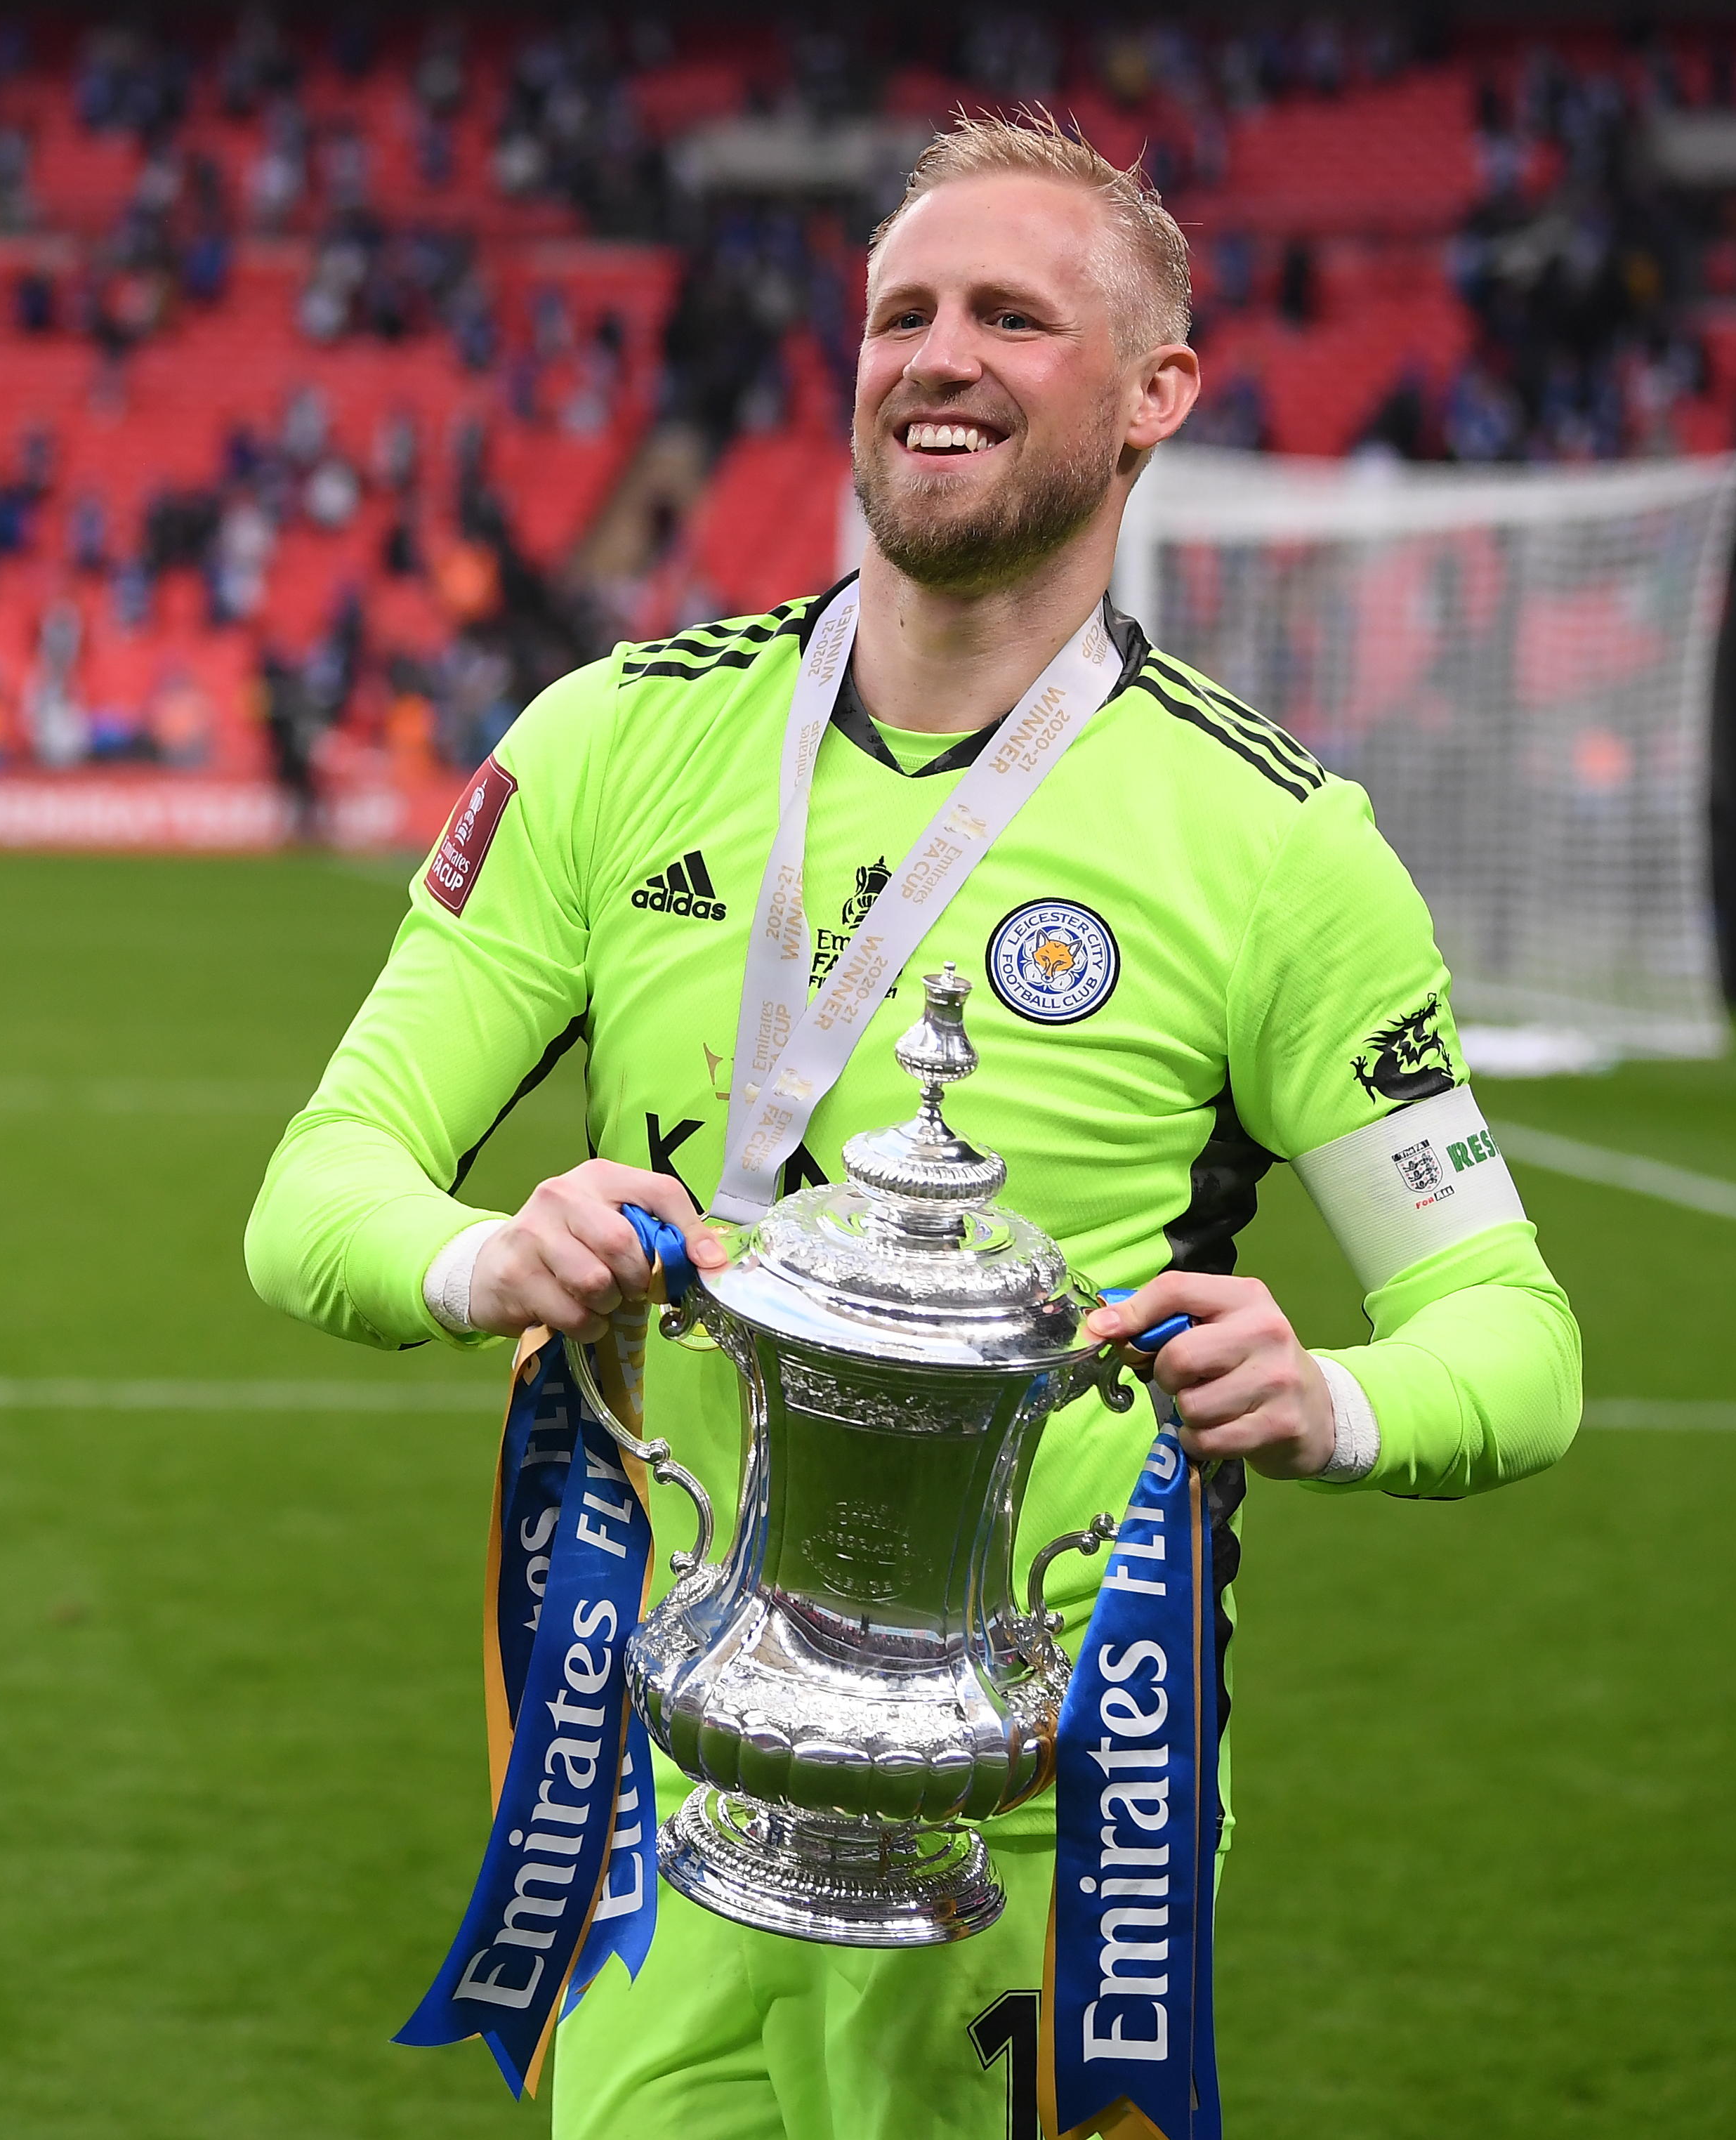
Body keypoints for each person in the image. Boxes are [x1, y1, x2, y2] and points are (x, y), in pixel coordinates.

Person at [248, 111, 1580, 2138]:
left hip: (1039, 1792)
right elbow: (312, 1187)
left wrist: (1327, 1398)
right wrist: (486, 1256)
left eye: (1010, 317)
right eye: (902, 312)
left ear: (1155, 397)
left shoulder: (1278, 845)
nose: (934, 355)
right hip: (658, 1749)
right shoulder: (613, 739)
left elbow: (1511, 1328)